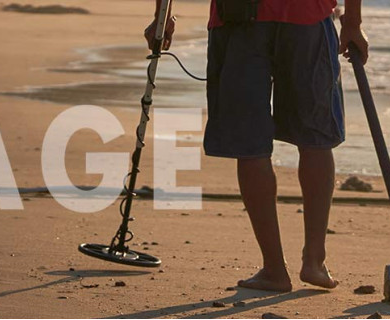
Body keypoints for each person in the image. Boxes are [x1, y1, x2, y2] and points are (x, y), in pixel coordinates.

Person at [144, 0, 369, 292]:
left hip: (240, 17)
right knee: (315, 140)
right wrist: (352, 23)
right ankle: (314, 260)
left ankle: (275, 269)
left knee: (250, 145)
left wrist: (162, 16)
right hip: (306, 17)